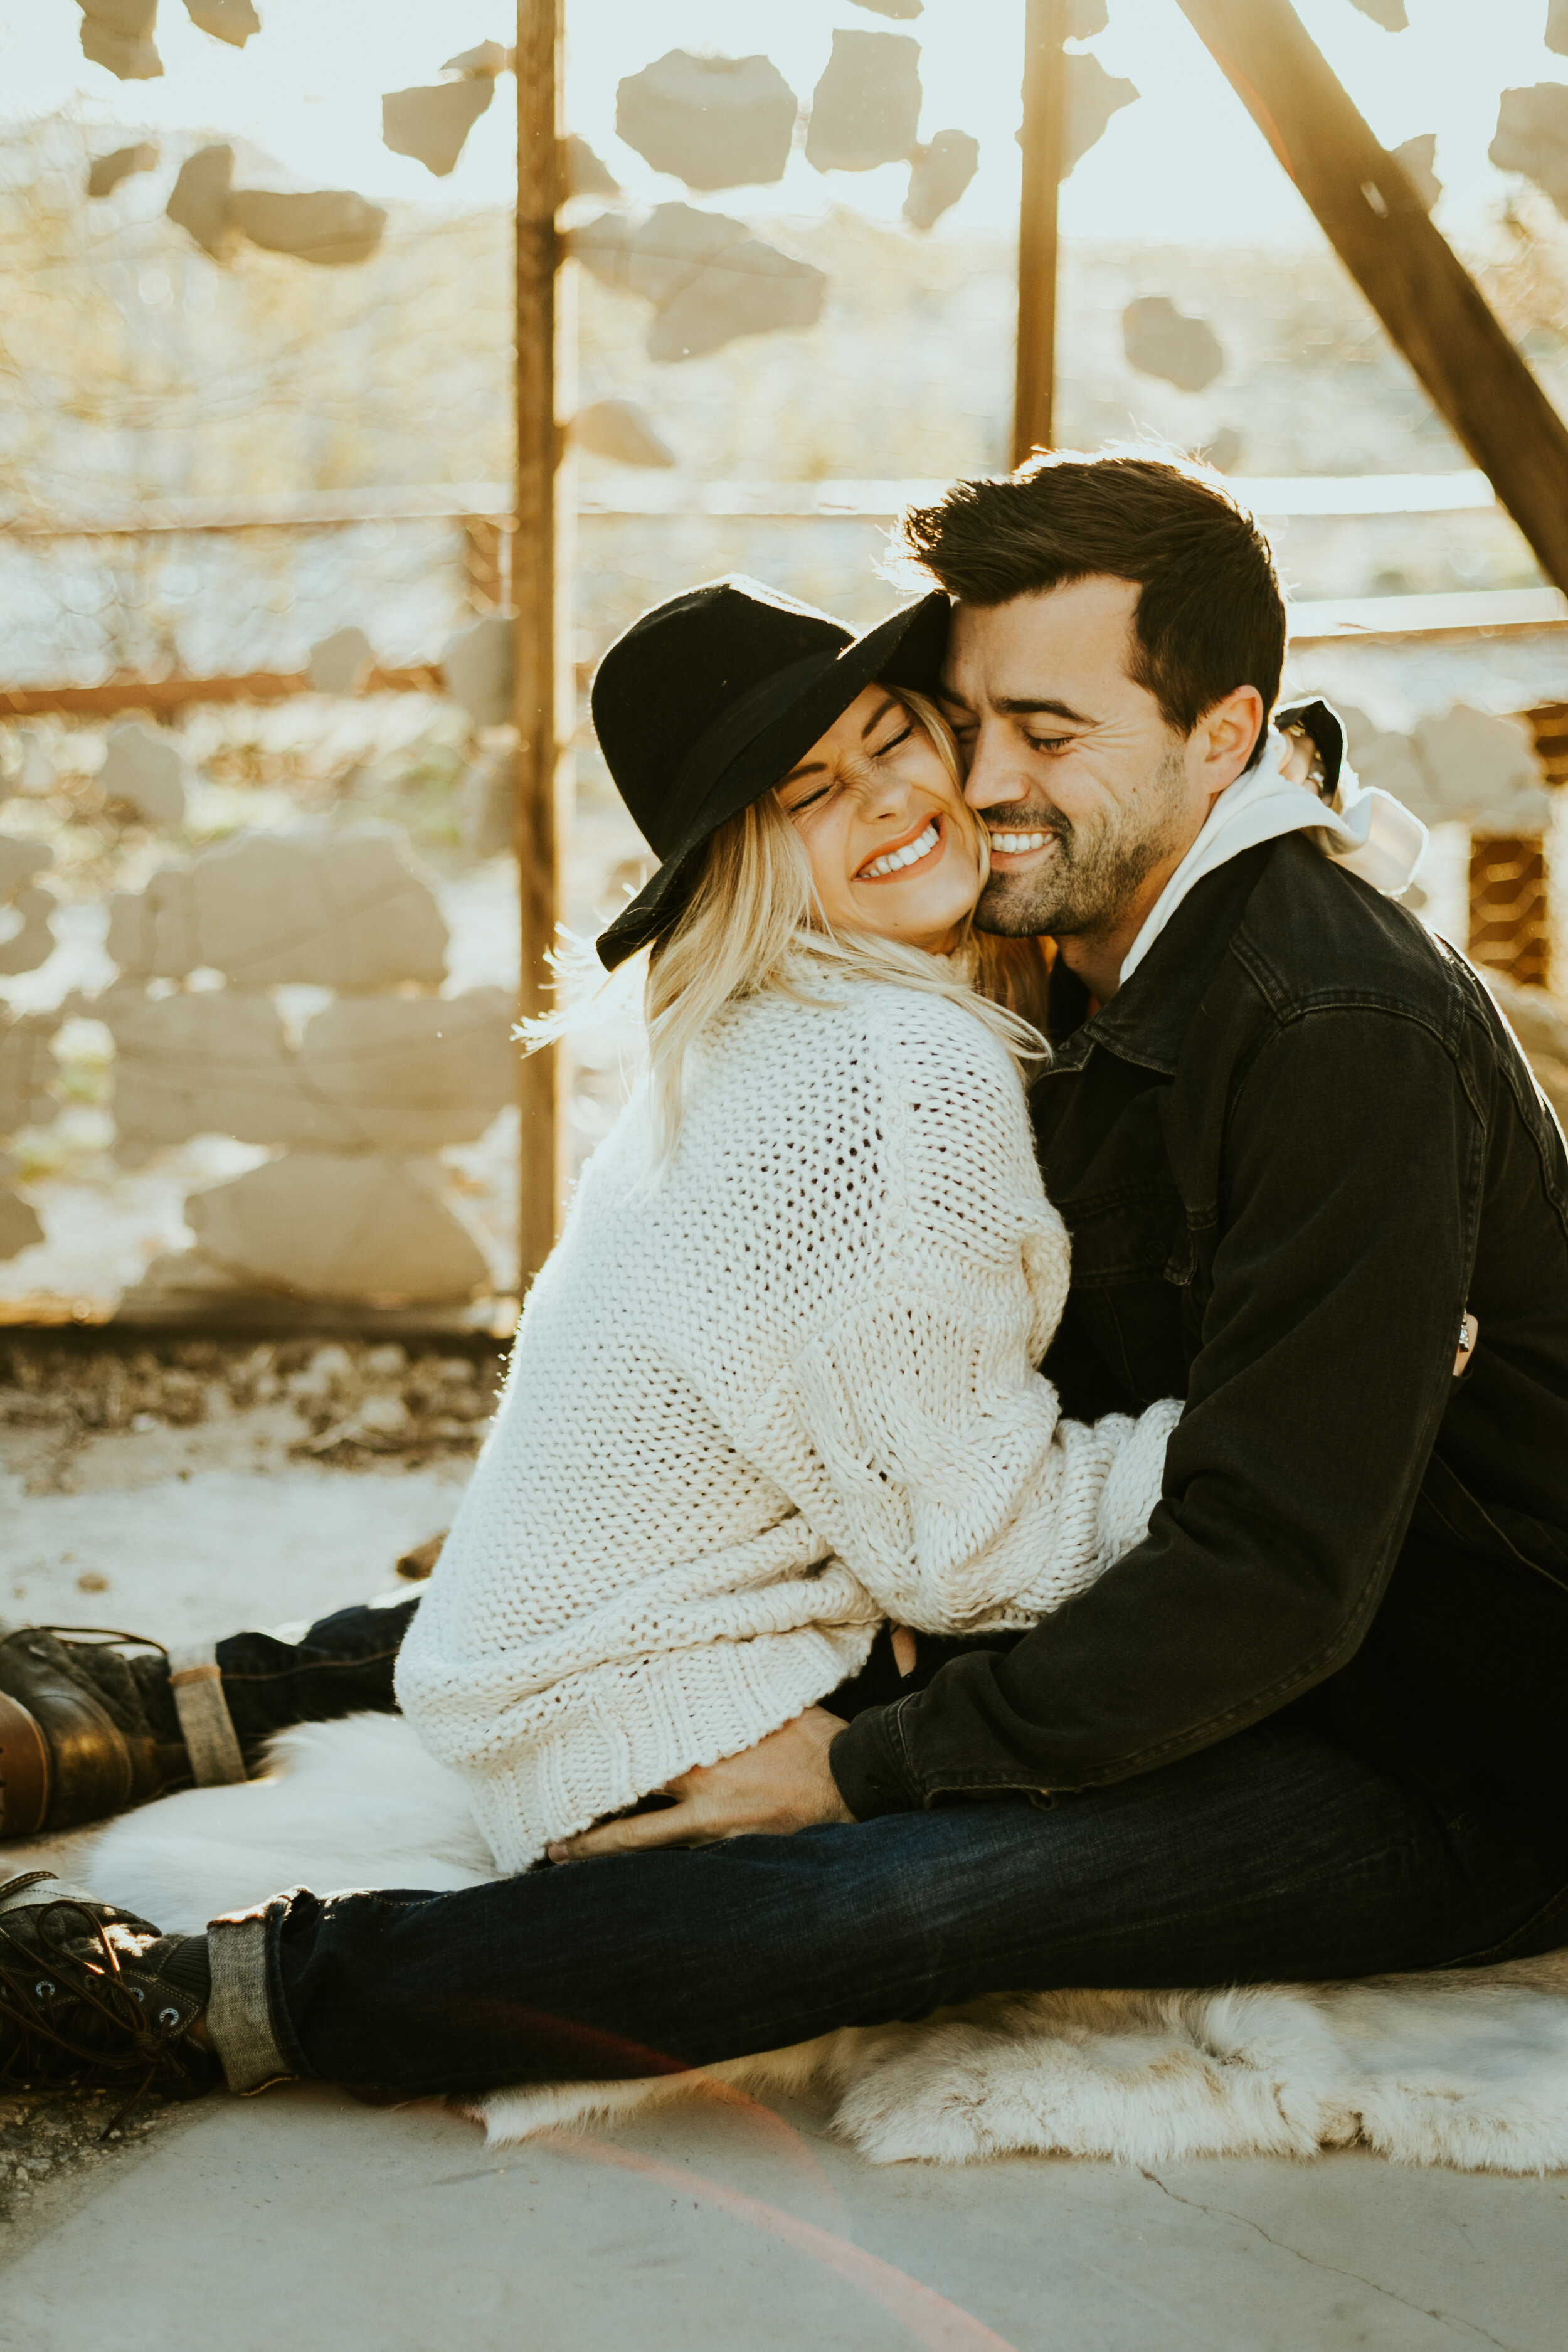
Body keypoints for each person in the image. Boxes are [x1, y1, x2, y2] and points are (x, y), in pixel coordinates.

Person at [4, 452, 1565, 2118]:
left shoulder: (1335, 1025)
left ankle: (217, 1995)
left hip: (1442, 1735)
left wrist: (858, 1768)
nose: (981, 784)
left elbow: (1270, 1564)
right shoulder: (1049, 938)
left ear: (1223, 735)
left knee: (920, 1888)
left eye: (1050, 737)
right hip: (1147, 1597)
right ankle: (179, 1707)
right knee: (686, 1567)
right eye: (967, 724)